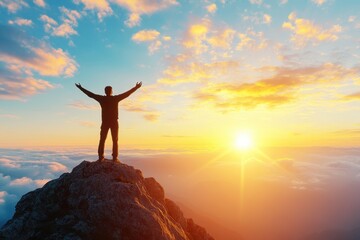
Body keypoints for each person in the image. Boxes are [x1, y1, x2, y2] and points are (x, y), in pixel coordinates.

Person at [75, 82, 142, 162]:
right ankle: (114, 158)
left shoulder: (102, 99)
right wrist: (136, 87)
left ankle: (101, 157)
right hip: (114, 122)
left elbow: (90, 94)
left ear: (105, 91)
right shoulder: (115, 98)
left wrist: (80, 88)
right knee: (115, 140)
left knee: (102, 139)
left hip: (105, 123)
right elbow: (127, 94)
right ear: (111, 91)